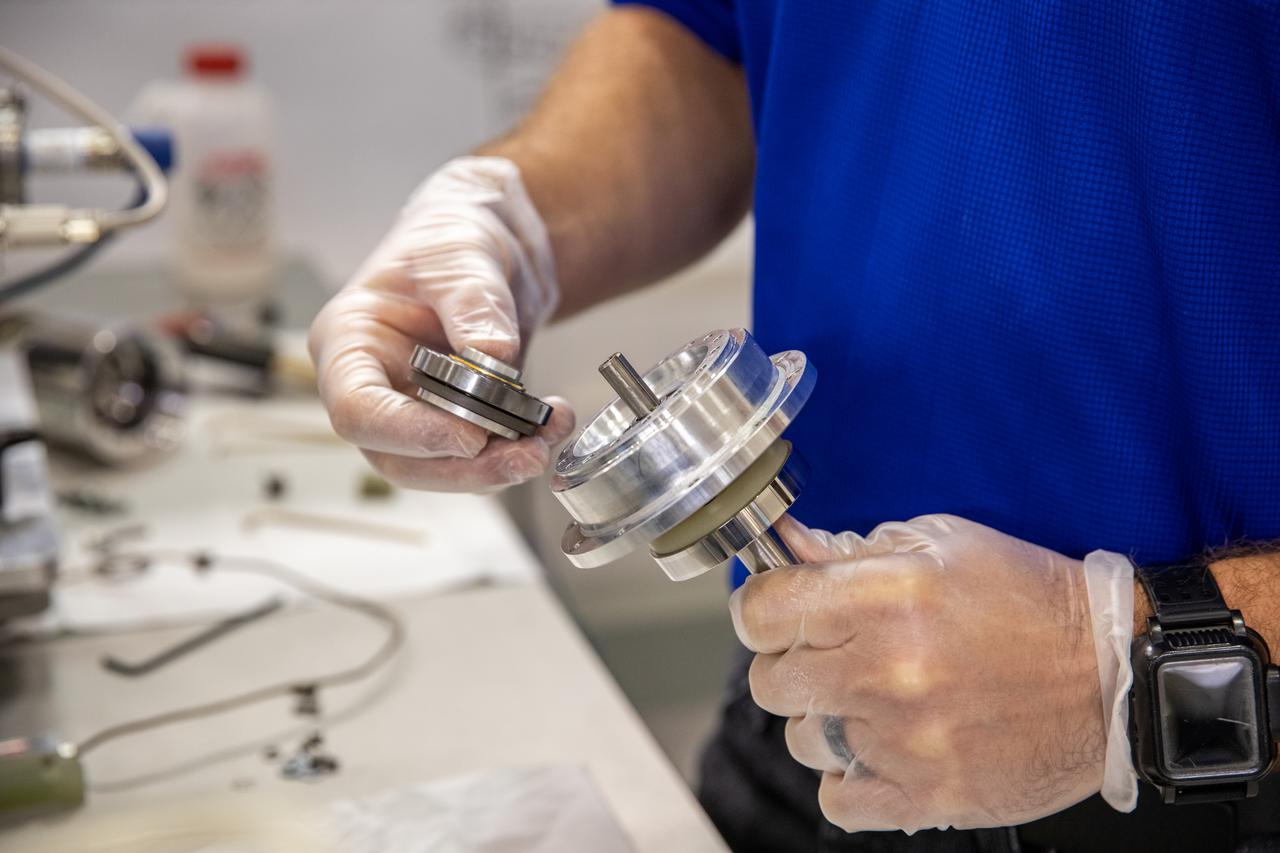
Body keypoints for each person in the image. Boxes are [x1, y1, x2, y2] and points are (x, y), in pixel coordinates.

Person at [309, 4, 1280, 851]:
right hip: (810, 732)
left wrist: (1118, 659)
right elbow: (708, 37)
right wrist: (512, 218)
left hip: (1210, 754)